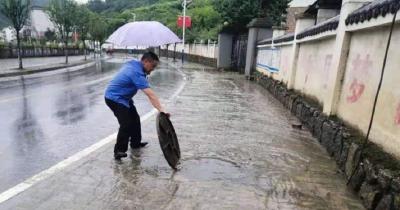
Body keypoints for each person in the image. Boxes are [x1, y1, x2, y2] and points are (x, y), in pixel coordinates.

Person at [105, 51, 168, 160]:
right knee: (126, 123)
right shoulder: (136, 72)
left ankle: (135, 143)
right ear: (145, 62)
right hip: (114, 98)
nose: (153, 69)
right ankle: (119, 151)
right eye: (153, 66)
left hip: (124, 98)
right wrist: (161, 110)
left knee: (135, 119)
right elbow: (150, 94)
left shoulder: (134, 64)